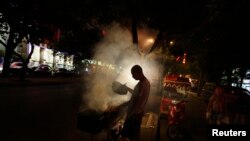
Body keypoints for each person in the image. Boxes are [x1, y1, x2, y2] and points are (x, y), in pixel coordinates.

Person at [120, 65, 151, 141]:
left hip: (133, 115)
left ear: (138, 73)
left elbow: (136, 101)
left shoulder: (141, 84)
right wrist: (127, 88)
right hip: (139, 113)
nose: (132, 76)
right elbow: (136, 94)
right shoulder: (147, 82)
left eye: (133, 74)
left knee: (125, 136)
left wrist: (122, 106)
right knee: (135, 135)